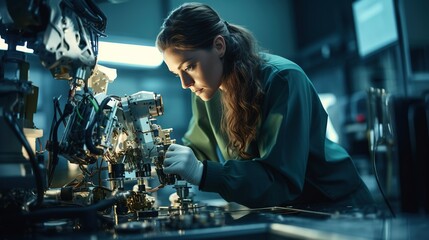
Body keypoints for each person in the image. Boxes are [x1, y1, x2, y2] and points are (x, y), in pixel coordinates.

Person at [156, 2, 375, 210]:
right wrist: (178, 172)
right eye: (178, 74)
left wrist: (201, 173)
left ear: (219, 46)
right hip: (286, 208)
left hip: (337, 205)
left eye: (190, 66)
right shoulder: (205, 89)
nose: (185, 84)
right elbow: (197, 149)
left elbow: (281, 181)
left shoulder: (283, 79)